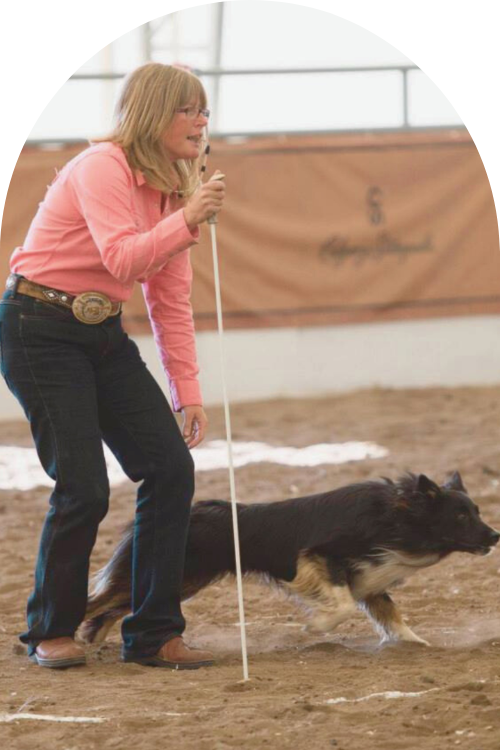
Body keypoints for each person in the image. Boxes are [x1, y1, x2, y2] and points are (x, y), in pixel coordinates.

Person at [0, 62, 226, 670]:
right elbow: (124, 260)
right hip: (38, 328)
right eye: (188, 109)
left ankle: (153, 634)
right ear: (153, 114)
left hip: (102, 333)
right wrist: (188, 219)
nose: (201, 121)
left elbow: (169, 298)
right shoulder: (103, 166)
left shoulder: (174, 188)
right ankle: (49, 630)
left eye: (204, 110)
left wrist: (187, 390)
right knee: (84, 486)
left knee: (170, 469)